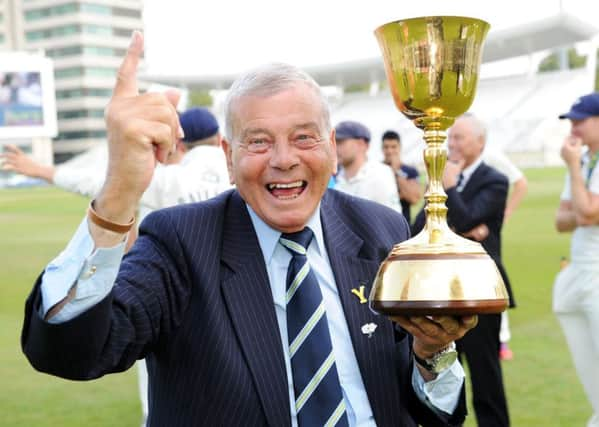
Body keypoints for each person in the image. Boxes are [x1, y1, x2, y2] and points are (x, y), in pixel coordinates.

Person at [21, 31, 478, 426]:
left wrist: (431, 355)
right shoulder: (181, 243)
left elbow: (435, 413)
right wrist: (118, 192)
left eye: (304, 137)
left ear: (332, 148)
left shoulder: (378, 228)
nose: (283, 159)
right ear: (228, 156)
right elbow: (69, 351)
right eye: (258, 141)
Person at [5, 106, 231, 427]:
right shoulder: (247, 175)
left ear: (180, 145)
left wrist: (42, 170)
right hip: (241, 299)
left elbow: (99, 183)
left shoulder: (167, 178)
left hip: (168, 302)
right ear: (221, 141)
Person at [412, 113, 512, 427]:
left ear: (480, 142)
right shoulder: (438, 178)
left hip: (480, 290)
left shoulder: (495, 180)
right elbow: (419, 226)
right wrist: (462, 224)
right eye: (451, 138)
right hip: (439, 289)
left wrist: (450, 190)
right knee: (441, 372)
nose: (451, 144)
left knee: (485, 376)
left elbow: (467, 219)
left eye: (459, 138)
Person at [554, 92, 599, 427]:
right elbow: (561, 220)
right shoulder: (586, 163)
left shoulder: (579, 164)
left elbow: (584, 214)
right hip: (580, 272)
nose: (573, 128)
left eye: (580, 120)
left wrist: (572, 167)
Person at [471, 149, 528, 361]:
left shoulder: (491, 156)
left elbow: (521, 183)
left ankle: (502, 340)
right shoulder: (451, 157)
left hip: (486, 233)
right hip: (465, 229)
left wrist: (505, 214)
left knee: (493, 284)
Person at [334, 121, 401, 211]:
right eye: (333, 142)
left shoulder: (379, 174)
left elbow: (392, 221)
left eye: (340, 142)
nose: (334, 147)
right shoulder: (337, 176)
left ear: (361, 144)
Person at [381, 130, 422, 224]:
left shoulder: (410, 171)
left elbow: (414, 199)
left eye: (393, 147)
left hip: (403, 224)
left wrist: (396, 171)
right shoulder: (376, 169)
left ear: (399, 148)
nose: (390, 151)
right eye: (386, 147)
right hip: (381, 224)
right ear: (382, 149)